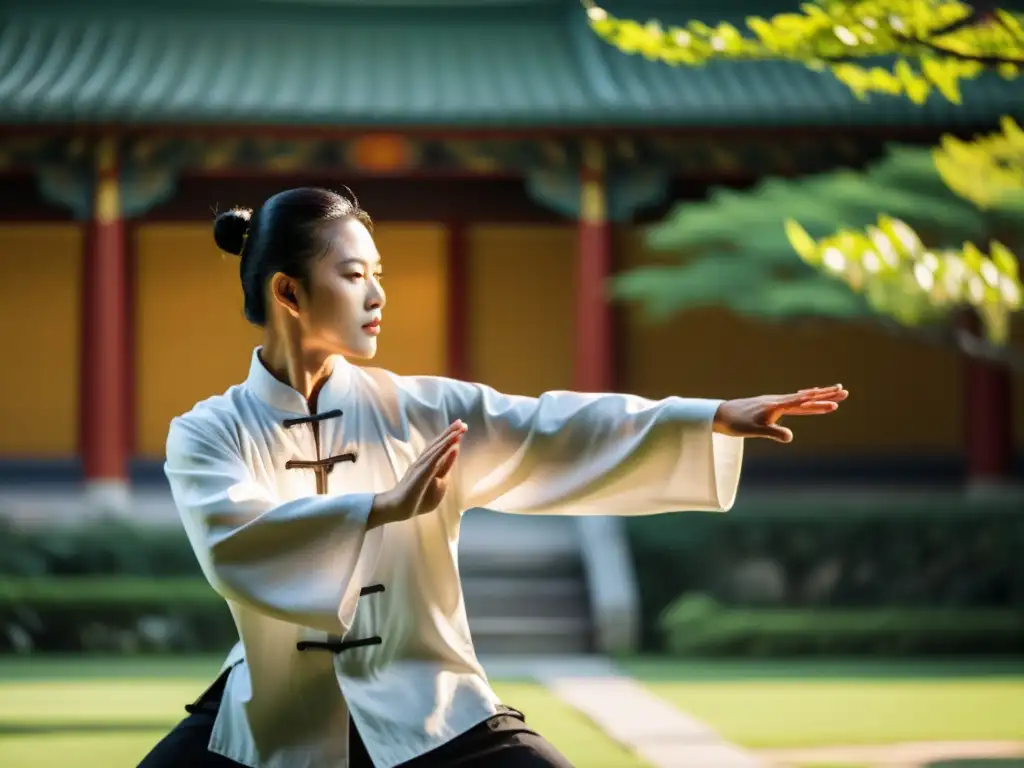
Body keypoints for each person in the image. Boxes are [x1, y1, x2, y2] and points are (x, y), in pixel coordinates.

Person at [139, 187, 847, 768]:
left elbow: (551, 428)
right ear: (289, 291)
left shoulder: (422, 409)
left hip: (427, 698)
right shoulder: (207, 432)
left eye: (378, 273)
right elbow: (235, 542)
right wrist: (381, 508)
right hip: (273, 710)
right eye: (355, 276)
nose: (378, 295)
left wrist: (709, 417)